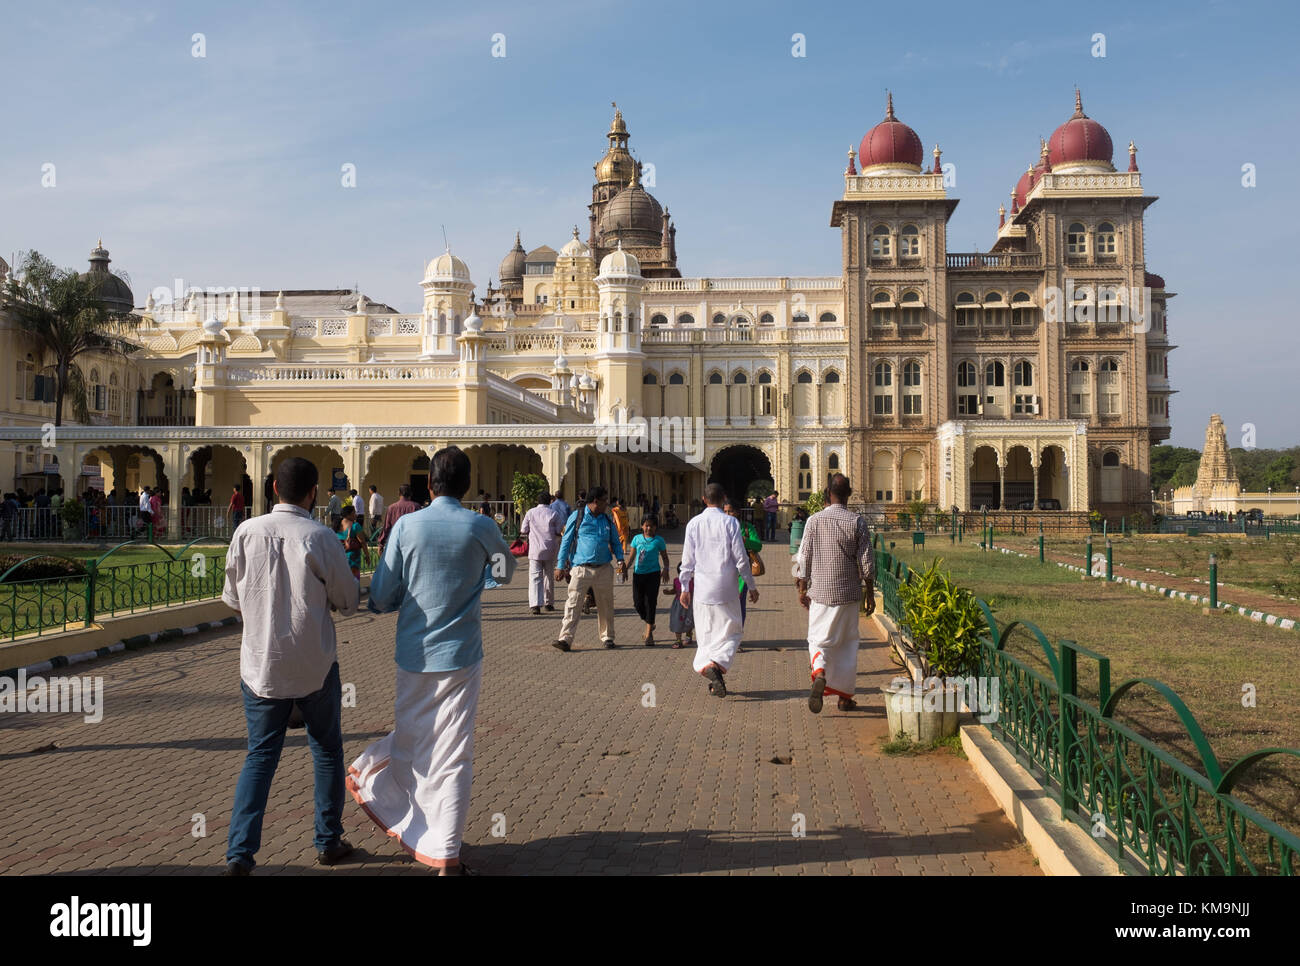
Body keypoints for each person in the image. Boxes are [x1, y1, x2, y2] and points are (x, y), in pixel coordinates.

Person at [348, 446, 514, 875]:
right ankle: (446, 855)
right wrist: (475, 581)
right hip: (460, 655)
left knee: (413, 741)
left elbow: (383, 592)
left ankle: (414, 820)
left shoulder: (406, 527)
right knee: (455, 752)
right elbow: (503, 571)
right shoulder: (480, 525)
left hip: (414, 654)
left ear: (429, 484)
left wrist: (398, 599)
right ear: (467, 485)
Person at [221, 457, 360, 875]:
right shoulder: (320, 537)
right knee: (326, 752)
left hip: (261, 667)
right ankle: (327, 840)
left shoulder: (246, 532)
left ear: (273, 489)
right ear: (313, 493)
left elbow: (232, 600)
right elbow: (349, 601)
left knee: (260, 758)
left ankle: (240, 855)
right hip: (313, 665)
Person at [796, 473, 875, 714]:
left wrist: (801, 587)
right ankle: (843, 698)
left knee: (818, 639)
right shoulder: (857, 522)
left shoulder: (814, 520)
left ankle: (819, 671)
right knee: (847, 644)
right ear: (849, 494)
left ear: (828, 493)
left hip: (820, 592)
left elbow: (803, 556)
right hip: (849, 593)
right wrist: (870, 592)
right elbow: (867, 561)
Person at [680, 483, 757, 697]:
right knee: (732, 632)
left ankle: (710, 669)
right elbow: (741, 559)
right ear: (724, 499)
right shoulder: (731, 523)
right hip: (728, 588)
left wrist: (684, 587)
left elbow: (687, 560)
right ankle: (716, 666)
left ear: (704, 499)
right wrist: (751, 586)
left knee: (706, 636)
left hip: (703, 589)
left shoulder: (694, 524)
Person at [552, 486, 625, 651]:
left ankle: (608, 637)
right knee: (573, 603)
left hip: (604, 568)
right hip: (581, 568)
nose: (607, 503)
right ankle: (565, 639)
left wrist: (621, 560)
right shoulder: (577, 516)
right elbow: (566, 541)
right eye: (604, 500)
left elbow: (615, 541)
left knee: (605, 604)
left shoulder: (607, 519)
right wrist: (560, 565)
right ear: (595, 501)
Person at [626, 515, 670, 644]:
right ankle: (649, 621)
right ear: (642, 526)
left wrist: (666, 569)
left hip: (653, 575)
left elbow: (665, 557)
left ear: (655, 527)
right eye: (646, 525)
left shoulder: (659, 541)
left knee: (650, 602)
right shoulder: (636, 539)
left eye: (651, 525)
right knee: (638, 603)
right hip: (638, 575)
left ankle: (649, 634)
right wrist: (625, 568)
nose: (648, 528)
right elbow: (631, 557)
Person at [520, 493, 564, 614]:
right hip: (550, 549)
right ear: (550, 501)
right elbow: (559, 530)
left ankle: (535, 605)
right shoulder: (553, 513)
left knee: (535, 577)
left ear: (537, 501)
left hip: (535, 550)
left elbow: (523, 529)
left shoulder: (530, 512)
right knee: (548, 576)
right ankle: (548, 603)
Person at [724, 499, 763, 625]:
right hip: (723, 572)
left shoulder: (747, 527)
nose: (728, 514)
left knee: (739, 605)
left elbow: (758, 545)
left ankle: (737, 635)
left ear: (737, 512)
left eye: (730, 511)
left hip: (742, 573)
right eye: (725, 511)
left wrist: (744, 540)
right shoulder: (720, 528)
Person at [377, 484, 419, 550]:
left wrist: (381, 544)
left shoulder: (391, 508)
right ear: (411, 493)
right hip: (412, 543)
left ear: (399, 493)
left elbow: (386, 528)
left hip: (396, 543)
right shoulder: (416, 506)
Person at [666, 563, 694, 648]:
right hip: (678, 606)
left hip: (689, 605)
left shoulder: (693, 581)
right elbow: (675, 590)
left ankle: (689, 636)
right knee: (677, 621)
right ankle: (678, 640)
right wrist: (669, 592)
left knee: (689, 621)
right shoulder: (676, 580)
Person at [335, 504, 366, 579]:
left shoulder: (336, 525)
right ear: (348, 515)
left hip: (339, 557)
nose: (356, 514)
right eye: (354, 513)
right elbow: (362, 542)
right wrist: (367, 555)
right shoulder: (355, 525)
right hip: (353, 558)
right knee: (354, 580)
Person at [611, 498, 632, 580]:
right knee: (622, 538)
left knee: (624, 538)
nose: (617, 505)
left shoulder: (620, 509)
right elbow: (615, 518)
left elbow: (625, 517)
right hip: (621, 526)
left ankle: (624, 550)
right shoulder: (620, 510)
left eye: (618, 503)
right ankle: (623, 550)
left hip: (623, 526)